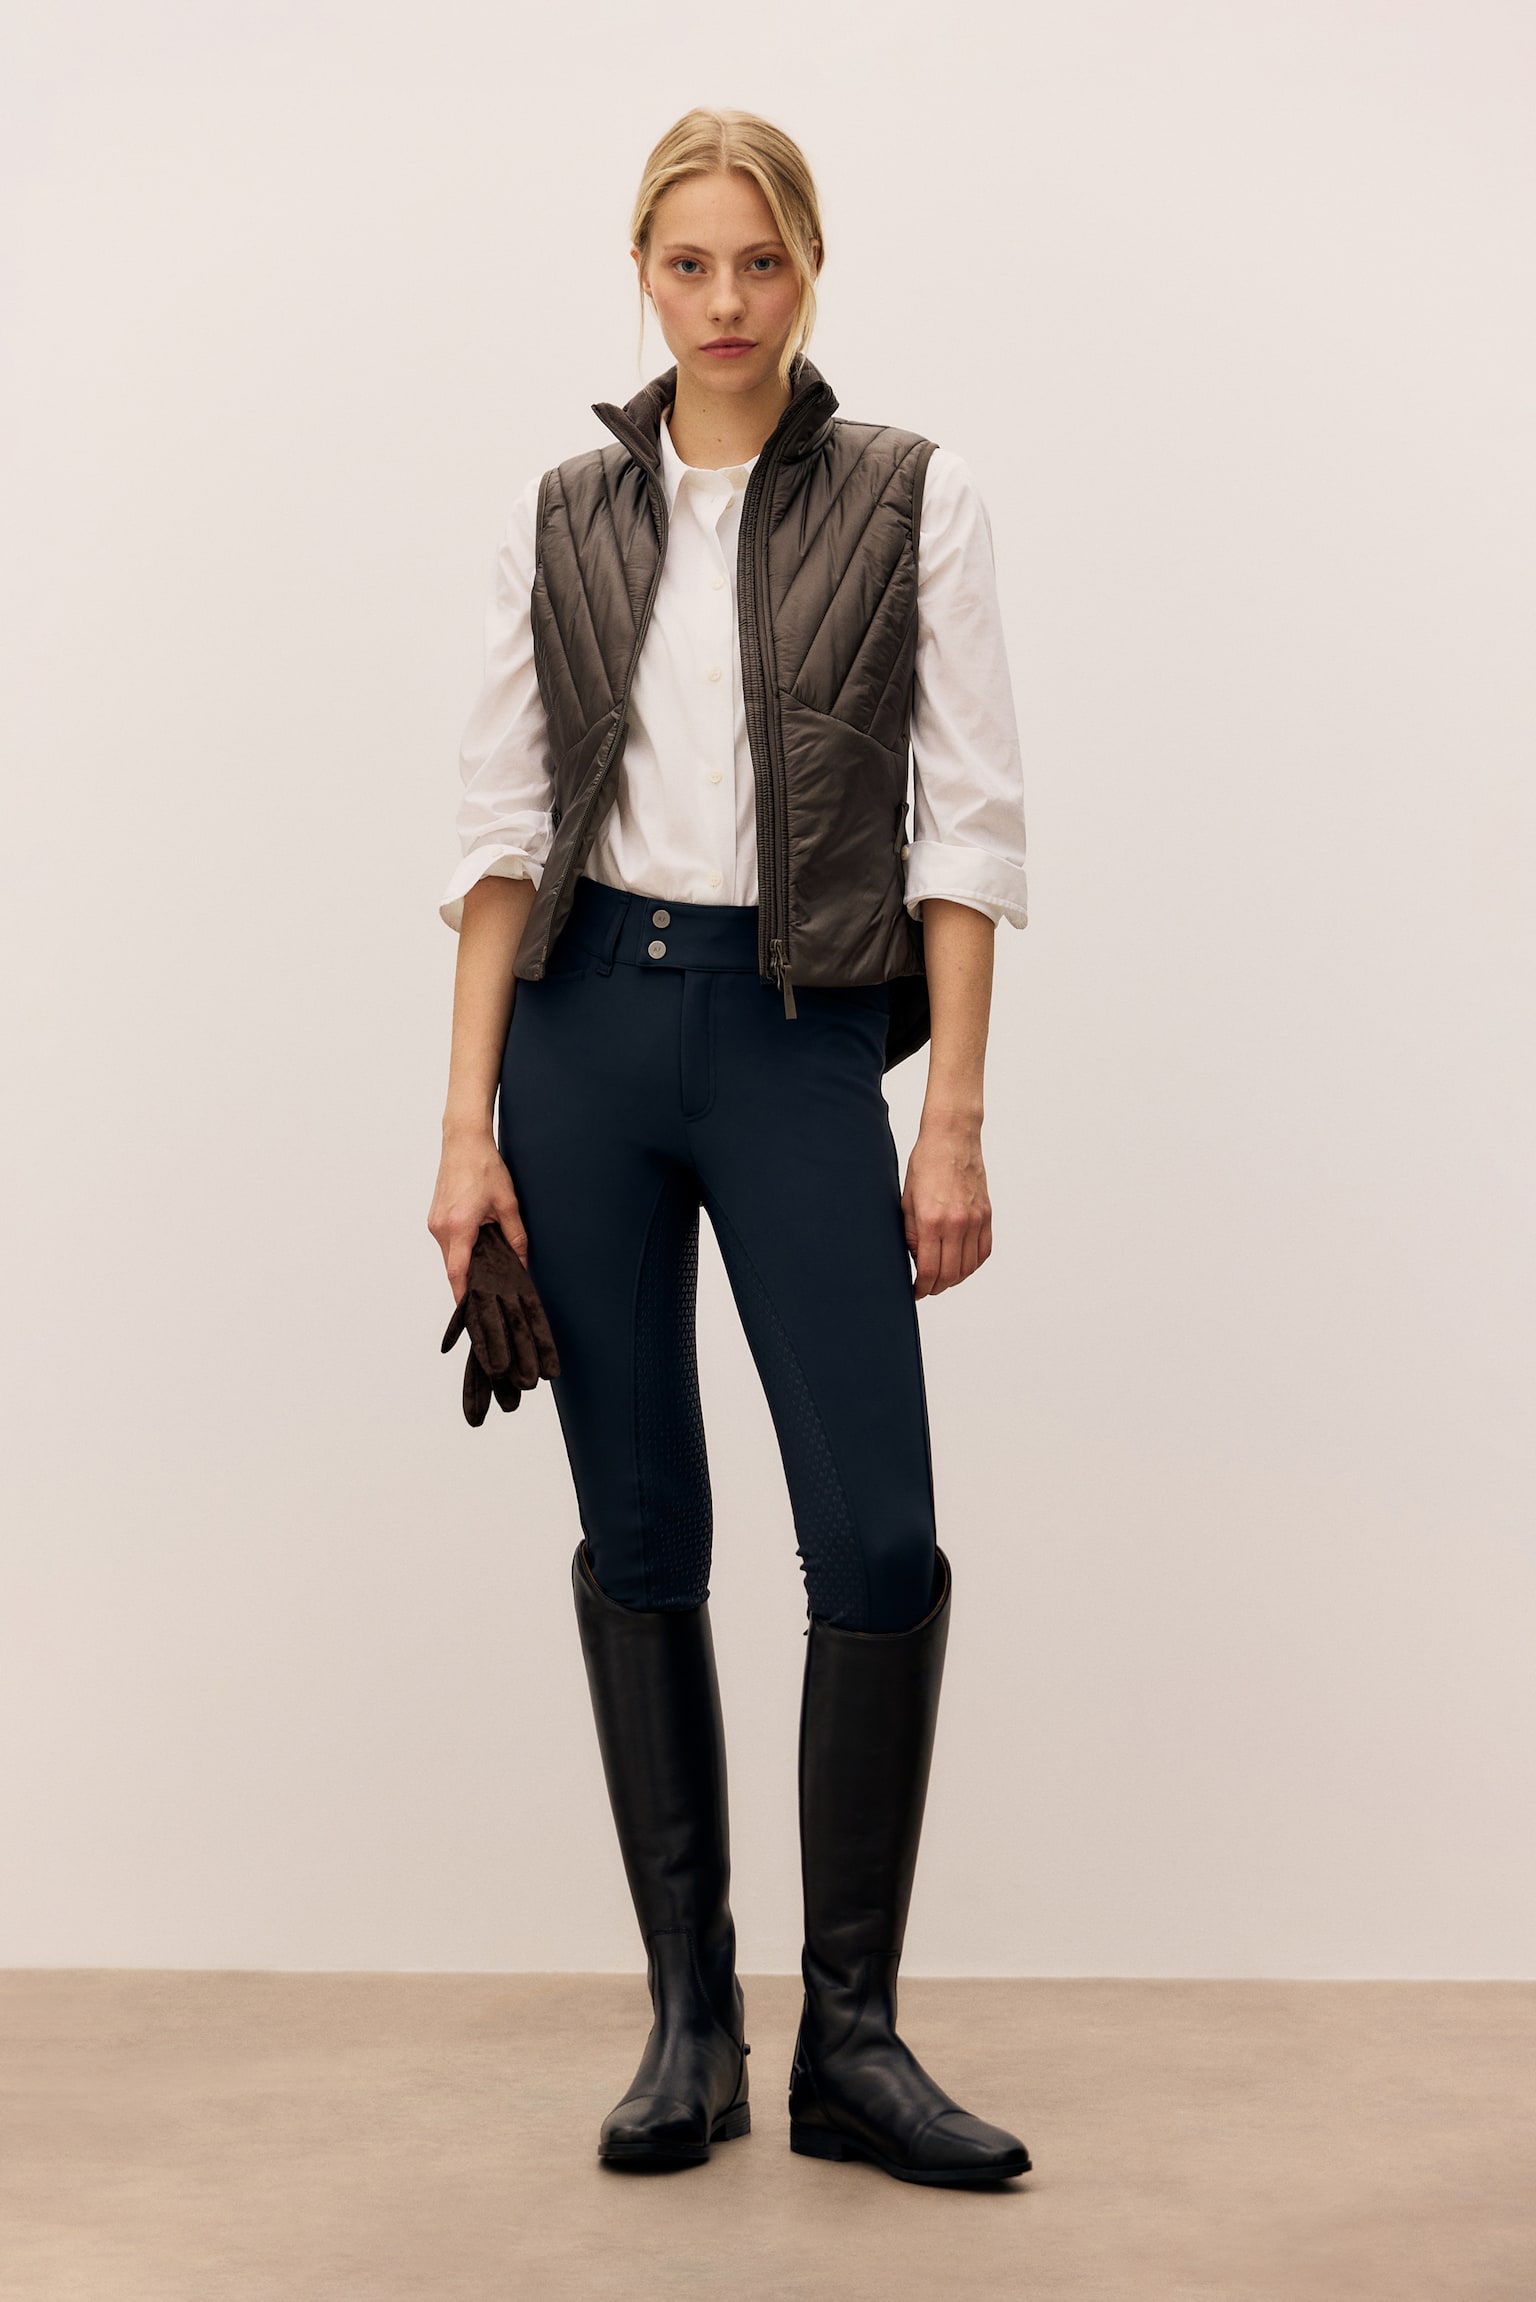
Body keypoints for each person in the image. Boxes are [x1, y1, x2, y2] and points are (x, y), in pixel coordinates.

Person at [427, 107, 1031, 2188]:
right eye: (688, 263)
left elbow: (966, 825)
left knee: (876, 1533)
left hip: (798, 1041)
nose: (725, 302)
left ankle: (852, 2038)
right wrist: (463, 1128)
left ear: (811, 268)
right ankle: (691, 2022)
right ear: (643, 274)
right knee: (640, 1524)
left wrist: (952, 1111)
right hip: (583, 1034)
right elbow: (499, 834)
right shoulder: (564, 514)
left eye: (759, 260)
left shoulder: (912, 497)